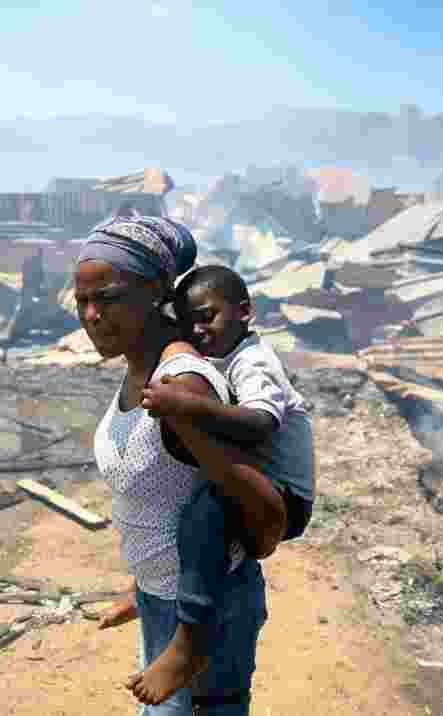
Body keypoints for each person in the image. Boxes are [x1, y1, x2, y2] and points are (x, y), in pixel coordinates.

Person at [76, 216, 287, 714]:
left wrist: (196, 605)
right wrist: (142, 586)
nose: (90, 315)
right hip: (164, 599)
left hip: (205, 611)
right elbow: (164, 494)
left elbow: (259, 511)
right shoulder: (138, 368)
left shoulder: (182, 387)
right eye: (81, 300)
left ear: (154, 293)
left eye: (106, 298)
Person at [131, 264, 315, 704]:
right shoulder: (219, 355)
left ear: (246, 311)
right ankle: (175, 609)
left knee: (202, 516)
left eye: (207, 316)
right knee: (195, 515)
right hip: (262, 485)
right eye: (189, 322)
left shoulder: (254, 361)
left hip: (285, 497)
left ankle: (192, 637)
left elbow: (257, 424)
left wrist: (184, 404)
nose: (198, 330)